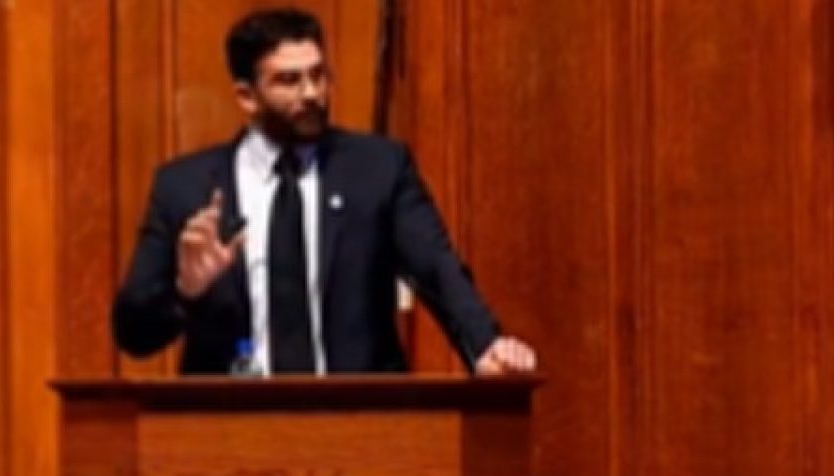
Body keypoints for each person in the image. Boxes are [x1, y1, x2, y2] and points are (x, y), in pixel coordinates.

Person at [113, 7, 536, 375]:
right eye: (289, 81)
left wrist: (485, 344)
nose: (312, 93)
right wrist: (184, 291)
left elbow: (437, 268)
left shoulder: (378, 169)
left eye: (318, 75)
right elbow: (132, 335)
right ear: (246, 96)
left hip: (358, 421)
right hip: (231, 427)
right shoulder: (185, 187)